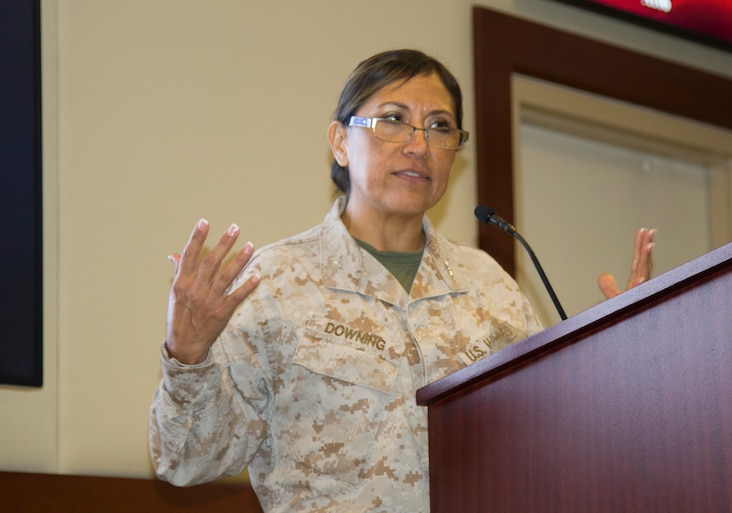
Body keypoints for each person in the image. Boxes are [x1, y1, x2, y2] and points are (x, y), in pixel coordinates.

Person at [149, 49, 655, 513]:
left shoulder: (489, 284)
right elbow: (188, 461)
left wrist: (622, 357)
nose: (419, 145)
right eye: (394, 120)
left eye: (440, 127)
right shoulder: (273, 283)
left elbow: (555, 442)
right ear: (340, 142)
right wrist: (187, 355)